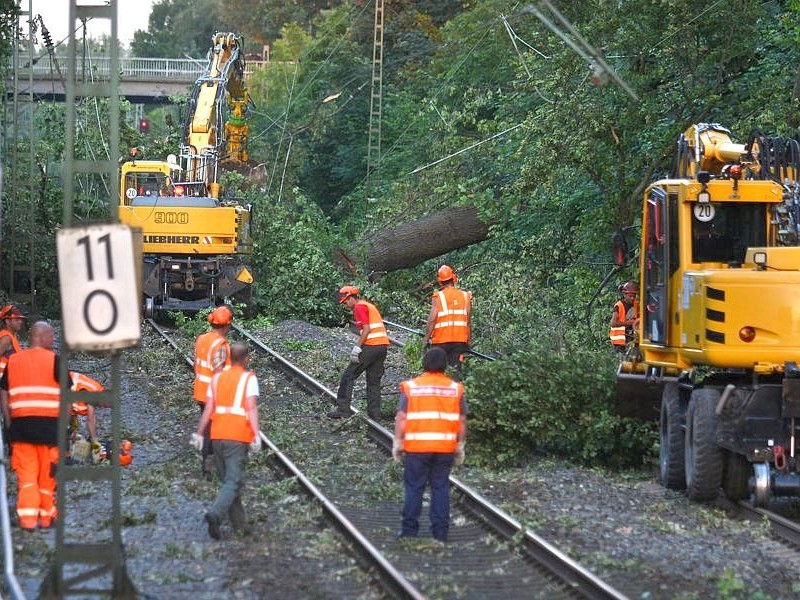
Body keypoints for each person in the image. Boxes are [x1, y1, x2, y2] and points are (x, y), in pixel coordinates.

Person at [393, 347, 467, 542]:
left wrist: (398, 442)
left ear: (424, 363)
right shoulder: (455, 389)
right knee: (440, 487)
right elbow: (461, 421)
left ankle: (409, 531)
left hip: (417, 448)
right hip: (444, 449)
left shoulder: (412, 387)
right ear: (445, 365)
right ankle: (440, 533)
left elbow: (401, 417)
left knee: (414, 488)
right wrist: (459, 445)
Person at [191, 342, 261, 540]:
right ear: (246, 358)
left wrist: (199, 433)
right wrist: (256, 434)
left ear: (228, 357)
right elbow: (251, 408)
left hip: (217, 435)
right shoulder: (249, 378)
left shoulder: (217, 378)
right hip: (238, 436)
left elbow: (208, 409)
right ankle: (215, 514)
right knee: (233, 480)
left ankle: (240, 525)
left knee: (230, 481)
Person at [0, 321, 60, 531]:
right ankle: (46, 518)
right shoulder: (55, 361)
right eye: (51, 336)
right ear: (41, 337)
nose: (53, 340)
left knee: (26, 477)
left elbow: (4, 394)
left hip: (21, 430)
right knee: (47, 477)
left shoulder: (14, 361)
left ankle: (27, 520)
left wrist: (9, 424)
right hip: (50, 431)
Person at [329, 286, 390, 420]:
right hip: (382, 347)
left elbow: (367, 329)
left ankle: (343, 409)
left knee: (348, 376)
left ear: (350, 298)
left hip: (371, 346)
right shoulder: (367, 305)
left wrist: (357, 348)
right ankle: (375, 415)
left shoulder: (359, 307)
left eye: (345, 302)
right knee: (373, 382)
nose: (345, 305)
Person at [193, 305, 233, 479]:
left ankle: (209, 465)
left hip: (201, 391)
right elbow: (218, 374)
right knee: (215, 431)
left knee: (210, 429)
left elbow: (197, 365)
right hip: (214, 395)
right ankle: (209, 468)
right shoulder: (220, 345)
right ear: (227, 325)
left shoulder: (202, 339)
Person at [423, 265, 472, 370]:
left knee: (437, 371)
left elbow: (432, 320)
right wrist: (469, 341)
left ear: (440, 282)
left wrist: (426, 339)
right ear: (454, 278)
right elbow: (468, 322)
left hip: (440, 342)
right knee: (455, 372)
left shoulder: (438, 296)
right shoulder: (465, 296)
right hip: (460, 342)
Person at [610, 281, 639, 353]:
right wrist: (629, 323)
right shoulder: (618, 305)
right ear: (624, 295)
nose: (632, 298)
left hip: (632, 338)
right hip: (619, 342)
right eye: (630, 296)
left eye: (634, 296)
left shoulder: (636, 304)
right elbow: (613, 323)